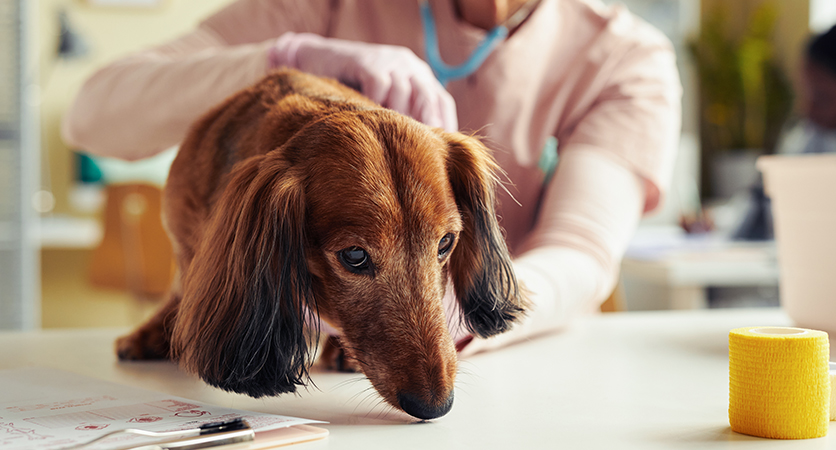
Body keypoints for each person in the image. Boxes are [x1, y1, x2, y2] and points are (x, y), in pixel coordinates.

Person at [62, 0, 681, 355]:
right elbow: (91, 117)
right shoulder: (326, 4)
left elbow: (580, 252)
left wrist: (445, 321)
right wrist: (288, 57)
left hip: (503, 370)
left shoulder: (626, 59)